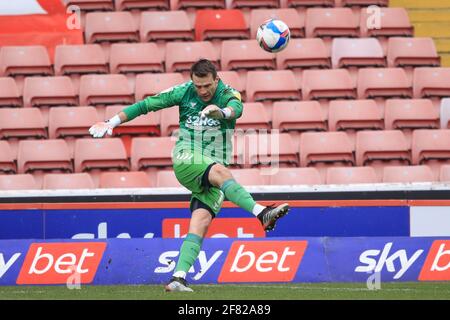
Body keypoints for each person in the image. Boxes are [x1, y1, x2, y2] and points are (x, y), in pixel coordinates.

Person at [88, 58, 289, 292]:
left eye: (207, 86)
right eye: (198, 86)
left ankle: (178, 278)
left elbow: (237, 108)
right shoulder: (184, 92)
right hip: (187, 157)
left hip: (213, 167)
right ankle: (262, 212)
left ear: (216, 80)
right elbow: (146, 105)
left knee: (200, 223)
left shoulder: (228, 94)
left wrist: (221, 113)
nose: (202, 91)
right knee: (221, 172)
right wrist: (111, 122)